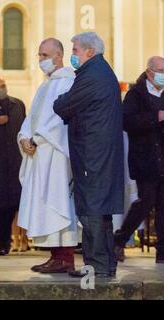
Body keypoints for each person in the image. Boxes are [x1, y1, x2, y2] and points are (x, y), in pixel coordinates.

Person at [53, 32, 124, 278]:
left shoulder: (92, 75)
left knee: (92, 208)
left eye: (74, 50)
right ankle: (106, 265)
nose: (72, 55)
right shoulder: (101, 71)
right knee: (100, 209)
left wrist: (63, 100)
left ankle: (96, 265)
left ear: (89, 52)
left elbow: (62, 105)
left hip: (93, 153)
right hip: (100, 151)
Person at [18, 38, 79, 274]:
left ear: (59, 55)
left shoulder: (67, 82)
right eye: (40, 56)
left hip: (56, 153)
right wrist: (24, 137)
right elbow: (31, 118)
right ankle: (56, 256)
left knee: (59, 202)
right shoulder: (46, 85)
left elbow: (59, 119)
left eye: (45, 55)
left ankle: (65, 257)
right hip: (40, 154)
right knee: (47, 203)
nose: (41, 60)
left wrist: (37, 139)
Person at [114, 56, 164, 264]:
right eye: (161, 70)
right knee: (146, 201)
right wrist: (155, 118)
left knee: (163, 205)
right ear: (150, 72)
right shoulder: (136, 94)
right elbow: (127, 121)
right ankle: (120, 239)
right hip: (145, 159)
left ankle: (162, 252)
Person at [0, 77, 26, 256]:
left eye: (2, 86)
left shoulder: (18, 105)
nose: (0, 89)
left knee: (12, 203)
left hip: (15, 161)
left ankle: (6, 242)